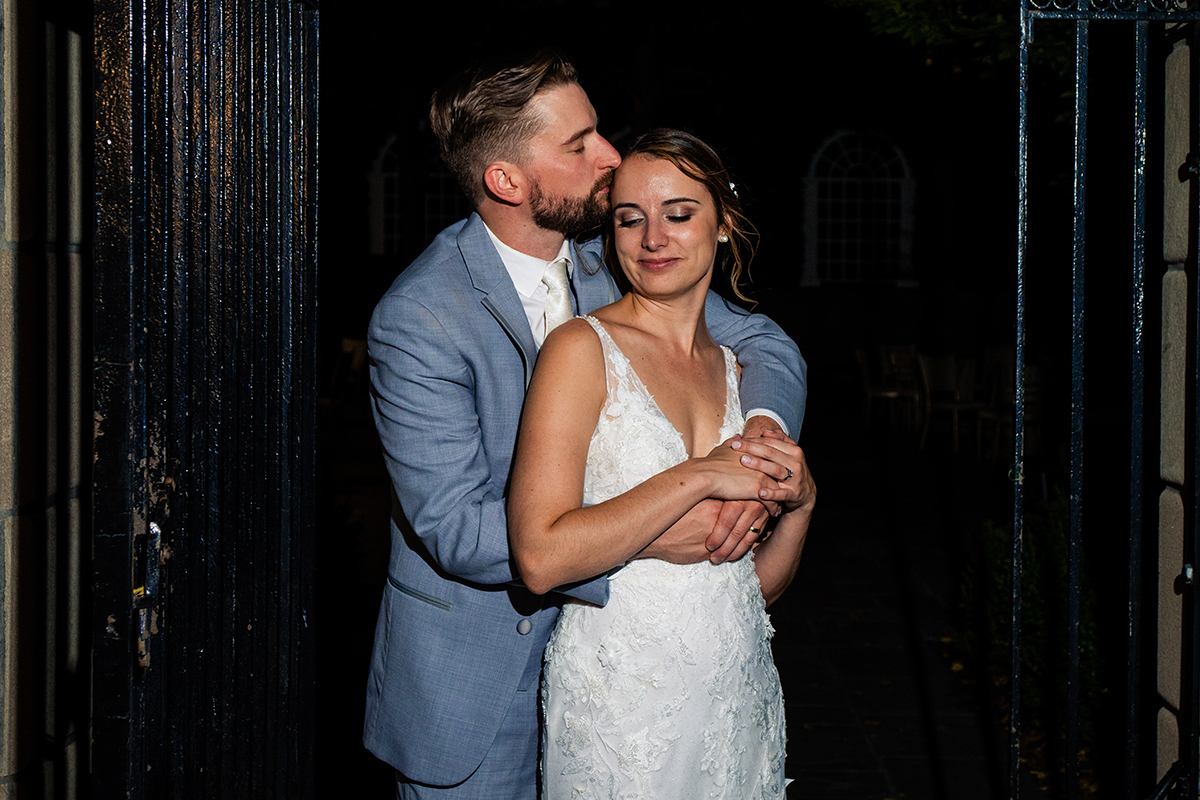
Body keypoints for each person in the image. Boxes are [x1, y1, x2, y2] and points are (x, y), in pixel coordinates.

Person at [363, 50, 807, 799]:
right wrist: (646, 536)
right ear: (507, 180)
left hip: (637, 678)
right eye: (580, 144)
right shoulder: (420, 319)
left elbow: (766, 344)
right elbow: (457, 528)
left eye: (600, 131)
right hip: (478, 686)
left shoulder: (619, 252)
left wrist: (760, 438)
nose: (610, 156)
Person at [507, 128, 815, 798]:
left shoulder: (739, 373)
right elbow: (539, 556)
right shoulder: (581, 350)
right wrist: (700, 474)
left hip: (738, 701)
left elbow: (748, 589)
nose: (653, 240)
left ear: (724, 225)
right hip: (622, 712)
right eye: (630, 219)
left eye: (678, 214)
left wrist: (801, 509)